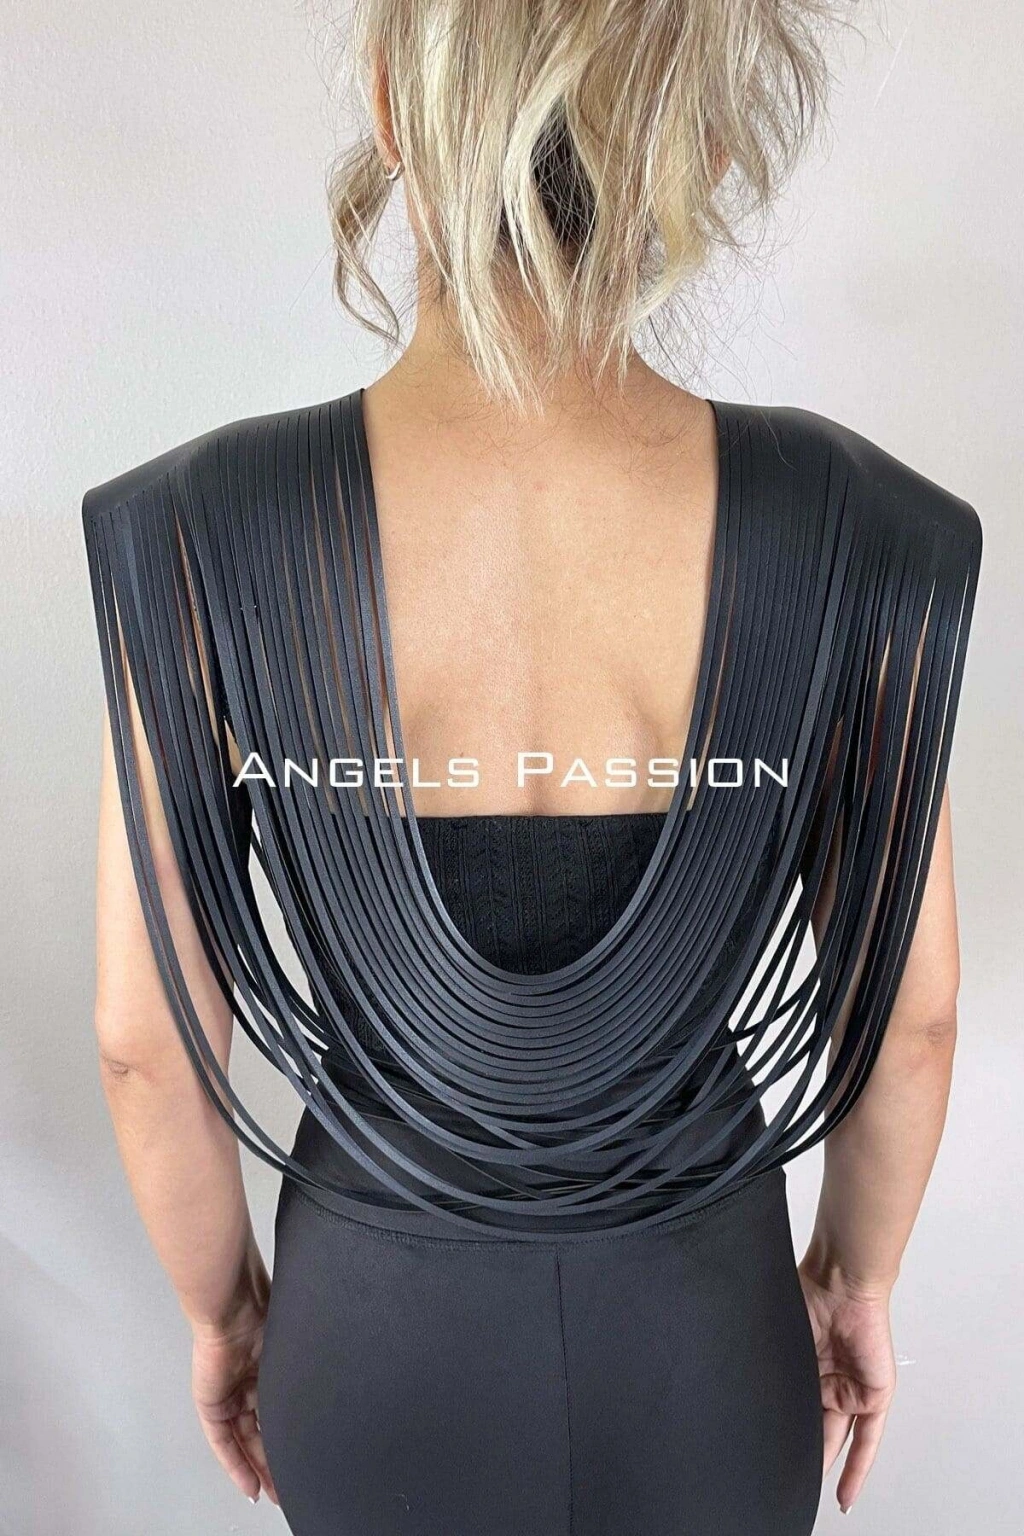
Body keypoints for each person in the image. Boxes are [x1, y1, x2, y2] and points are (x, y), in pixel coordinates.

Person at [82, 4, 982, 1533]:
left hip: (373, 1328)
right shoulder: (844, 524)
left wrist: (226, 1315)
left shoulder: (200, 532)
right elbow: (909, 1017)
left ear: (391, 102)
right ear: (701, 141)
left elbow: (144, 1040)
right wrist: (855, 1277)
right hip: (706, 1329)